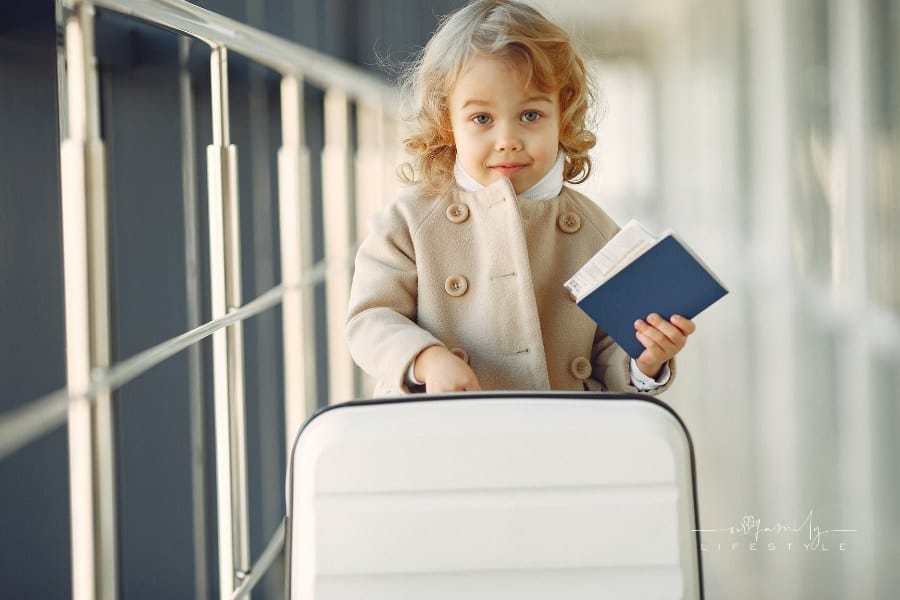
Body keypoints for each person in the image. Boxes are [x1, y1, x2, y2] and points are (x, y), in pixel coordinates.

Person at [344, 0, 696, 395]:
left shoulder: (598, 234)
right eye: (482, 119)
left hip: (556, 440)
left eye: (530, 115)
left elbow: (609, 354)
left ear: (562, 115)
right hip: (441, 433)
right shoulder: (408, 221)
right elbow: (370, 318)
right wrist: (425, 359)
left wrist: (644, 359)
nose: (508, 141)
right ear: (447, 122)